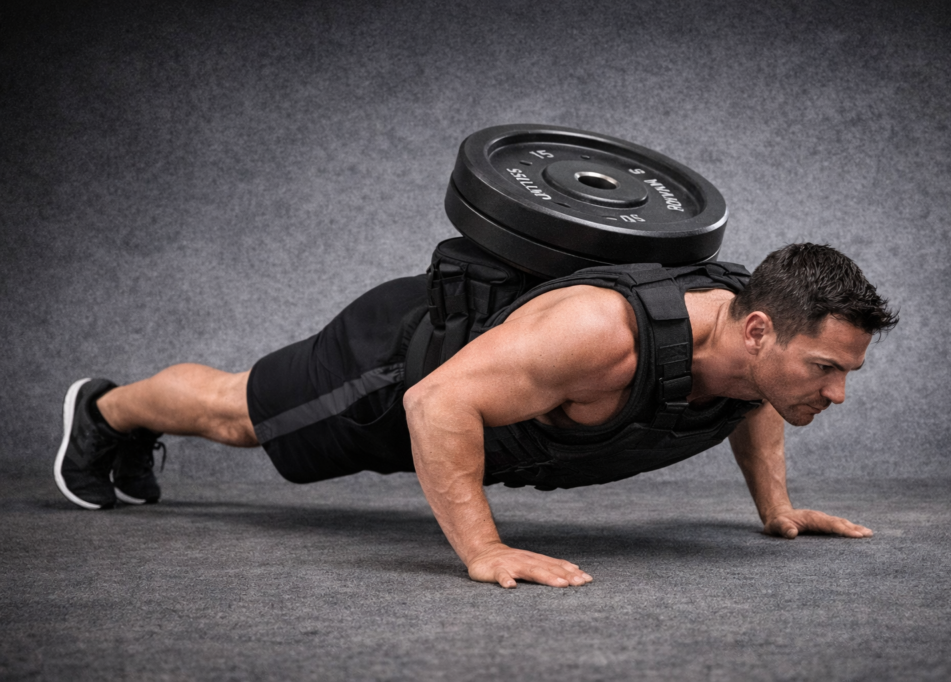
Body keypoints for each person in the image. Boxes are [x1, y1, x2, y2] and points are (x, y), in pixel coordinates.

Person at [54, 242, 898, 589]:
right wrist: (483, 548)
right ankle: (107, 409)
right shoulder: (602, 336)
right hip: (396, 365)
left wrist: (775, 509)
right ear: (758, 328)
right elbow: (437, 399)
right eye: (824, 369)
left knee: (242, 413)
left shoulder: (747, 354)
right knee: (237, 413)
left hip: (483, 406)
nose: (835, 393)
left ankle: (121, 416)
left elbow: (752, 397)